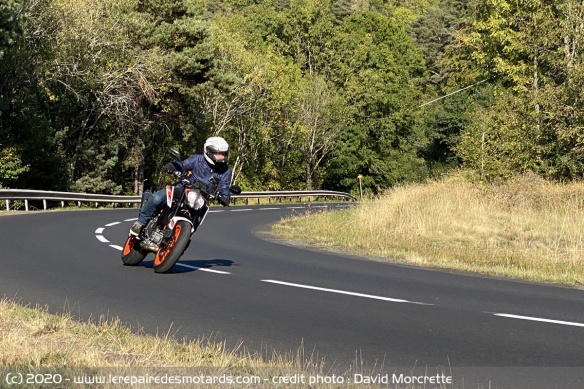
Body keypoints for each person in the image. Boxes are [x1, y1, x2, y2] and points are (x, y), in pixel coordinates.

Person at [129, 136, 233, 236]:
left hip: (201, 199)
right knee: (157, 198)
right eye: (218, 153)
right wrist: (173, 166)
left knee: (198, 218)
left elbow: (224, 186)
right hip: (183, 188)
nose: (222, 157)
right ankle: (140, 223)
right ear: (209, 151)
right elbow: (183, 165)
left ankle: (184, 237)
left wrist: (225, 196)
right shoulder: (197, 159)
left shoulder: (226, 171)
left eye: (224, 154)